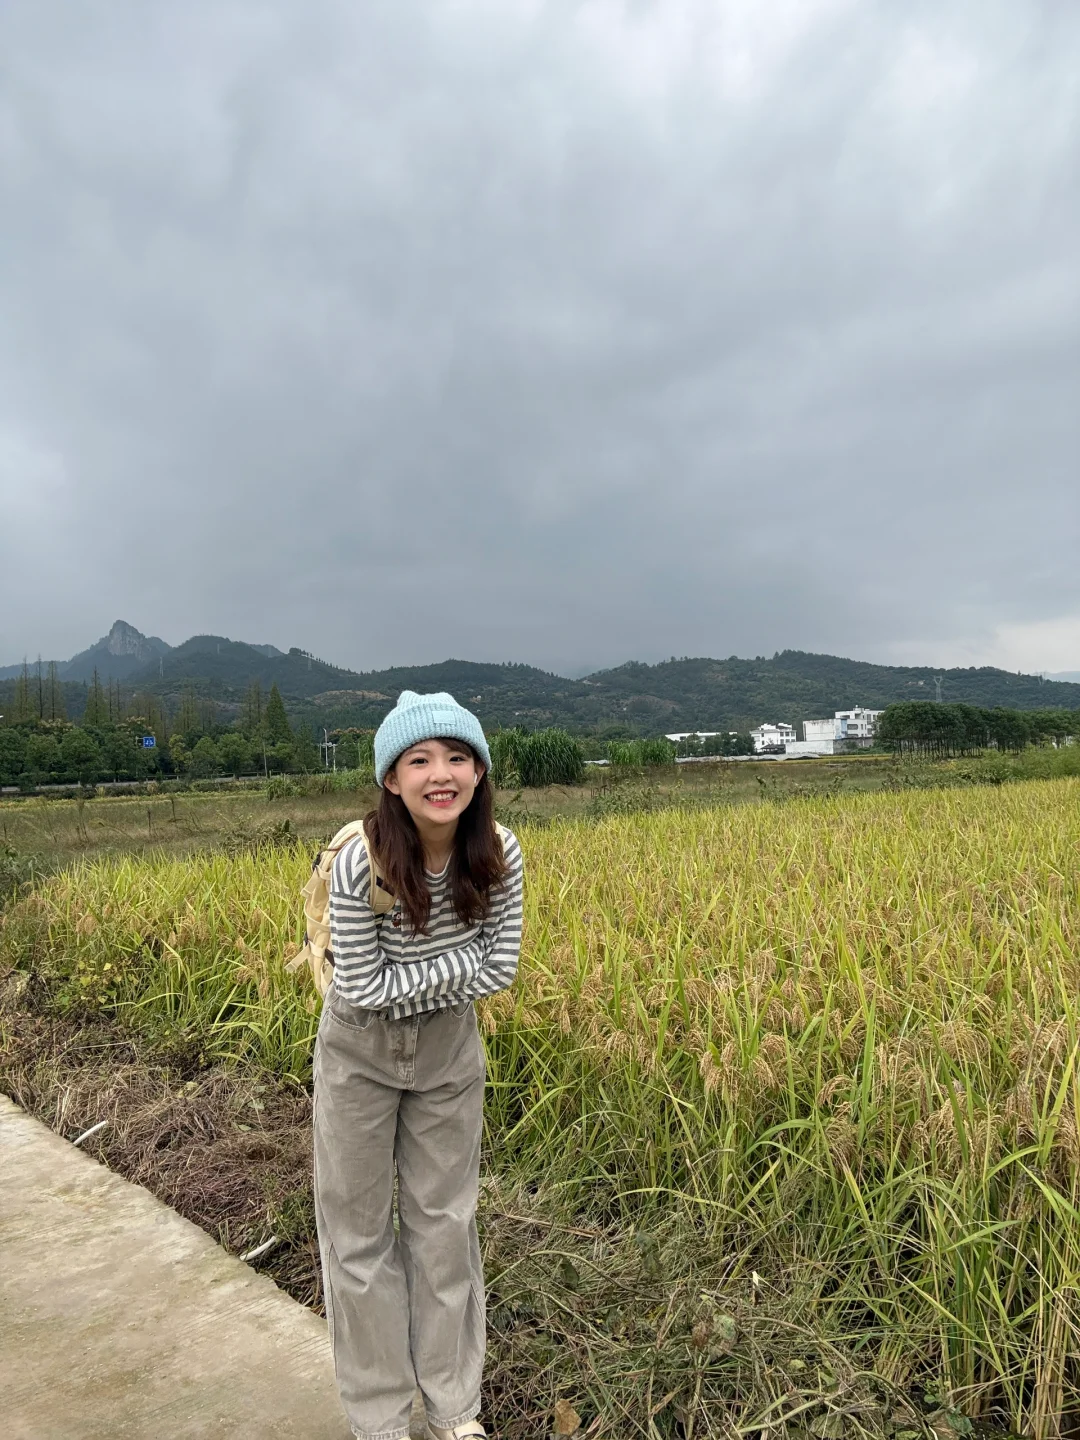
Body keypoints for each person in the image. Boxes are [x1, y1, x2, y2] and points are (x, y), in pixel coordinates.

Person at [313, 690, 524, 1440]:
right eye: (420, 759)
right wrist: (455, 962)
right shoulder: (357, 861)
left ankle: (453, 1410)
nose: (443, 774)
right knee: (358, 1236)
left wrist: (443, 971)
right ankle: (378, 1419)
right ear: (392, 779)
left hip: (447, 1052)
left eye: (458, 757)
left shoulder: (498, 851)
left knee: (444, 1226)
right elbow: (362, 988)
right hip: (358, 1055)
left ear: (478, 772)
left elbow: (500, 969)